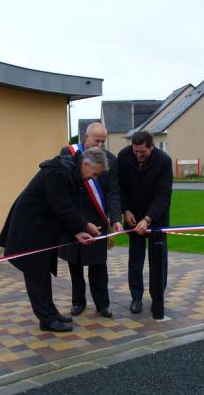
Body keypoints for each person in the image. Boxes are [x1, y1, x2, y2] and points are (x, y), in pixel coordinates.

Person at [0, 147, 108, 332]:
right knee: (35, 273)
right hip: (30, 229)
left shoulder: (70, 172)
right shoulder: (59, 173)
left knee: (43, 271)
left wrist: (76, 232)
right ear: (86, 164)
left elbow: (63, 208)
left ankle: (50, 312)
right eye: (94, 174)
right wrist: (85, 225)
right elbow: (62, 207)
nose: (94, 179)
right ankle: (46, 319)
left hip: (43, 229)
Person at [59, 123, 122, 318]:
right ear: (86, 137)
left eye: (103, 141)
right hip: (73, 218)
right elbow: (63, 186)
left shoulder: (110, 160)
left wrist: (116, 218)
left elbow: (113, 191)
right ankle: (78, 302)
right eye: (97, 140)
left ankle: (102, 304)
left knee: (98, 266)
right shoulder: (68, 152)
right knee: (74, 264)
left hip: (98, 219)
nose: (101, 144)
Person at [118, 131, 173, 314]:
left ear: (152, 146)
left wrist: (148, 219)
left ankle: (157, 297)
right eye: (135, 151)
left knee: (158, 259)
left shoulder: (164, 161)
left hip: (156, 218)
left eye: (143, 152)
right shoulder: (124, 156)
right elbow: (121, 187)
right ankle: (136, 297)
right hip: (132, 216)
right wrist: (125, 210)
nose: (138, 155)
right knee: (135, 258)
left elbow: (163, 195)